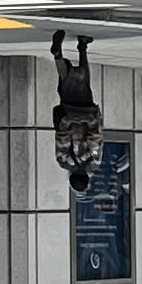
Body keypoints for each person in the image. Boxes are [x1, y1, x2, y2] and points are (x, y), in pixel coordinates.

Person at [49, 31, 105, 192]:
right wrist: (67, 120)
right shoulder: (64, 161)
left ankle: (83, 46)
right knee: (65, 83)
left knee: (84, 80)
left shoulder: (93, 161)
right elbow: (62, 137)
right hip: (68, 113)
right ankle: (58, 57)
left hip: (87, 112)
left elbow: (95, 136)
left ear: (86, 178)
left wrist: (91, 120)